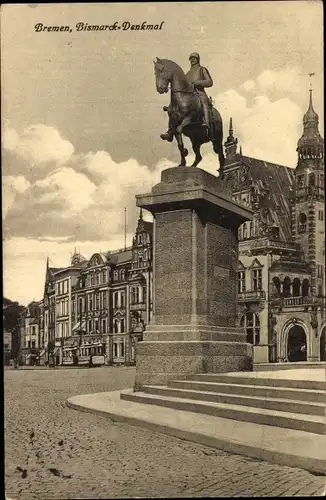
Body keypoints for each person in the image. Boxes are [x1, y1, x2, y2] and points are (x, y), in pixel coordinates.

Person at [160, 52, 213, 142]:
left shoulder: (202, 69)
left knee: (203, 102)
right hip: (189, 96)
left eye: (194, 58)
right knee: (173, 109)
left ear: (197, 59)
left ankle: (206, 123)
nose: (192, 60)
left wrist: (197, 83)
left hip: (199, 93)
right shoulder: (187, 74)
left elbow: (209, 82)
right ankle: (170, 132)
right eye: (191, 58)